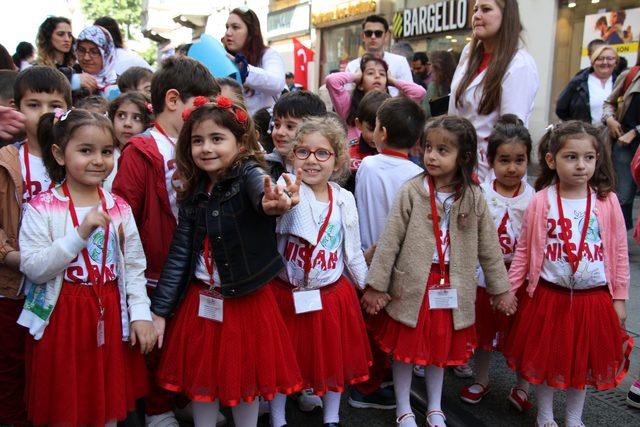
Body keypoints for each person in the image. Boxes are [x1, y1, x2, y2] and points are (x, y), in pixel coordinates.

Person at [150, 95, 303, 426]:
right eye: (197, 140)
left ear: (240, 143)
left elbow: (261, 193)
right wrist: (160, 310)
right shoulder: (195, 190)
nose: (206, 148)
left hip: (245, 302)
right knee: (202, 384)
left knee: (245, 384)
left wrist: (272, 202)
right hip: (202, 298)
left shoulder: (249, 172)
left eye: (217, 139)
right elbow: (180, 253)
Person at [362, 116, 515, 427]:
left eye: (443, 150)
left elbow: (488, 247)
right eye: (429, 147)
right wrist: (376, 285)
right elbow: (389, 240)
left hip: (452, 288)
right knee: (405, 352)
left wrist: (500, 288)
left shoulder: (473, 196)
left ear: (464, 157)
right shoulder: (412, 190)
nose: (431, 156)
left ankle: (434, 406)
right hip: (412, 286)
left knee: (439, 352)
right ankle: (403, 406)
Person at [18, 109, 155, 425]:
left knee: (105, 399)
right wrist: (80, 234)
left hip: (107, 307)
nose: (98, 160)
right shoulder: (42, 208)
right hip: (61, 315)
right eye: (85, 150)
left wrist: (140, 314)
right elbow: (34, 268)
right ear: (59, 154)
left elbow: (133, 265)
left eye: (106, 151)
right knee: (66, 401)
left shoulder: (118, 207)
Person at [112, 56, 219, 426]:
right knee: (158, 340)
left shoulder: (198, 144)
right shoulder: (142, 150)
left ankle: (181, 397)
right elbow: (124, 215)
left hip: (194, 263)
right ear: (173, 100)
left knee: (188, 338)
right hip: (156, 266)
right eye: (198, 107)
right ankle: (157, 409)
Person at [504, 121, 631, 427]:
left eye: (588, 157)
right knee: (547, 359)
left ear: (597, 159)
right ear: (551, 160)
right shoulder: (541, 200)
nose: (581, 165)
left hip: (593, 298)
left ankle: (574, 417)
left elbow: (619, 252)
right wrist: (508, 289)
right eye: (571, 157)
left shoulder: (606, 201)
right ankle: (545, 414)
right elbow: (524, 251)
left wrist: (620, 297)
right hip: (550, 296)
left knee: (582, 361)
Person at [270, 116, 371, 427]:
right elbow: (276, 220)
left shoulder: (345, 199)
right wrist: (285, 202)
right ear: (292, 156)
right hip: (286, 292)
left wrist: (369, 286)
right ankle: (277, 418)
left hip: (329, 294)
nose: (312, 160)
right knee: (281, 359)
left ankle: (331, 416)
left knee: (332, 358)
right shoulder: (283, 187)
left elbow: (351, 251)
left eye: (322, 153)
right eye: (303, 152)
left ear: (337, 159)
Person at [0, 65, 71, 427]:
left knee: (53, 366)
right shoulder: (5, 160)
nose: (44, 114)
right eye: (33, 104)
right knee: (12, 365)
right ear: (15, 107)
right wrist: (12, 257)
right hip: (14, 286)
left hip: (63, 286)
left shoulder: (76, 157)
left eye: (54, 105)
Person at [349, 97, 425, 411]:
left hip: (365, 257)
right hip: (399, 262)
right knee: (388, 324)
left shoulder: (367, 164)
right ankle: (368, 387)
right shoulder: (417, 176)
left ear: (379, 132)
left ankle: (369, 382)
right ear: (418, 141)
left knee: (371, 327)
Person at [459, 115, 535, 410]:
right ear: (490, 160)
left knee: (521, 334)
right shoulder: (478, 194)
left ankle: (523, 386)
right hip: (484, 277)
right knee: (483, 331)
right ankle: (481, 378)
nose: (512, 168)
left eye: (520, 160)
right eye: (504, 160)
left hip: (520, 279)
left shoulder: (535, 199)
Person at [449, 0, 539, 182]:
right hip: (458, 167)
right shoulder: (469, 53)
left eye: (486, 9)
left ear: (506, 16)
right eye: (475, 10)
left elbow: (510, 137)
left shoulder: (520, 64)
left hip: (492, 178)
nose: (477, 16)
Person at [326, 54, 426, 143]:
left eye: (382, 74)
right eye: (370, 73)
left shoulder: (394, 108)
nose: (377, 76)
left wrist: (393, 81)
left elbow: (419, 92)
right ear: (360, 84)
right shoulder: (348, 106)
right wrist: (356, 76)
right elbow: (331, 81)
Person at [603, 47, 640, 230]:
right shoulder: (630, 75)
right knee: (622, 197)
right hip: (624, 147)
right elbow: (609, 102)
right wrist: (609, 119)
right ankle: (618, 243)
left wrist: (635, 131)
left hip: (631, 138)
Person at [223, 7, 285, 115]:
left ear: (251, 32)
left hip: (262, 128)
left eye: (235, 27)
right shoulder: (224, 58)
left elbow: (277, 83)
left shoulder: (268, 54)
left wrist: (245, 72)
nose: (228, 32)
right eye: (227, 27)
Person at [345, 15, 413, 96]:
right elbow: (347, 97)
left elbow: (411, 92)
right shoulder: (352, 66)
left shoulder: (400, 61)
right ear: (363, 36)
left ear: (386, 36)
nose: (373, 37)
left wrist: (392, 81)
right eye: (368, 33)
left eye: (378, 33)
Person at [267, 90, 327, 181]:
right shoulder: (265, 167)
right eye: (277, 125)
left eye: (290, 126)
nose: (280, 132)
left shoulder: (323, 168)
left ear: (314, 129)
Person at [556, 45, 618, 124]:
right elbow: (561, 108)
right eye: (600, 59)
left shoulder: (621, 82)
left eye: (610, 58)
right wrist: (576, 126)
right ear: (593, 62)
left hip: (612, 134)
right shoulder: (578, 82)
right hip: (585, 133)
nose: (605, 62)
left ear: (616, 62)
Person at [105, 91, 153, 190]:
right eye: (121, 115)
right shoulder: (104, 154)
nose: (127, 123)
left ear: (148, 123)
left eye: (136, 118)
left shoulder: (150, 158)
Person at [36, 16, 97, 92]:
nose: (67, 39)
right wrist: (73, 81)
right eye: (60, 34)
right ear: (48, 37)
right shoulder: (37, 69)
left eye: (69, 35)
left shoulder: (77, 68)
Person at [347, 91, 390, 181]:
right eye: (371, 129)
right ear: (358, 124)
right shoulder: (348, 152)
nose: (376, 135)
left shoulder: (394, 153)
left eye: (381, 130)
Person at [74, 25, 120, 99]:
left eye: (94, 52)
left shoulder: (121, 85)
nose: (86, 57)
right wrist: (73, 82)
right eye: (81, 50)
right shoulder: (70, 78)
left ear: (107, 54)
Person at [424, 51, 457, 118]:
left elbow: (426, 111)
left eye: (430, 64)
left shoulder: (434, 86)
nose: (430, 71)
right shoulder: (457, 82)